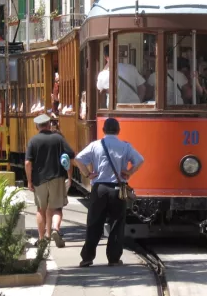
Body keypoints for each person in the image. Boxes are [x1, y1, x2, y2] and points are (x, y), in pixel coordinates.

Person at [74, 117, 145, 267]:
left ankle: (87, 257)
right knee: (117, 223)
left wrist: (87, 174)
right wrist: (129, 172)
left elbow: (78, 158)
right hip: (117, 190)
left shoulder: (96, 145)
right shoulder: (125, 146)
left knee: (94, 222)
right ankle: (113, 258)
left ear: (103, 130)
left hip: (99, 188)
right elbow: (140, 160)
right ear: (118, 131)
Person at [25, 113, 75, 248]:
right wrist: (69, 177)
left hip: (39, 180)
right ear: (48, 125)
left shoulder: (33, 141)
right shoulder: (58, 139)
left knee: (41, 209)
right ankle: (55, 230)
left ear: (37, 126)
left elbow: (28, 163)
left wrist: (29, 181)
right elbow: (71, 156)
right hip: (57, 178)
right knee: (55, 208)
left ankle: (42, 239)